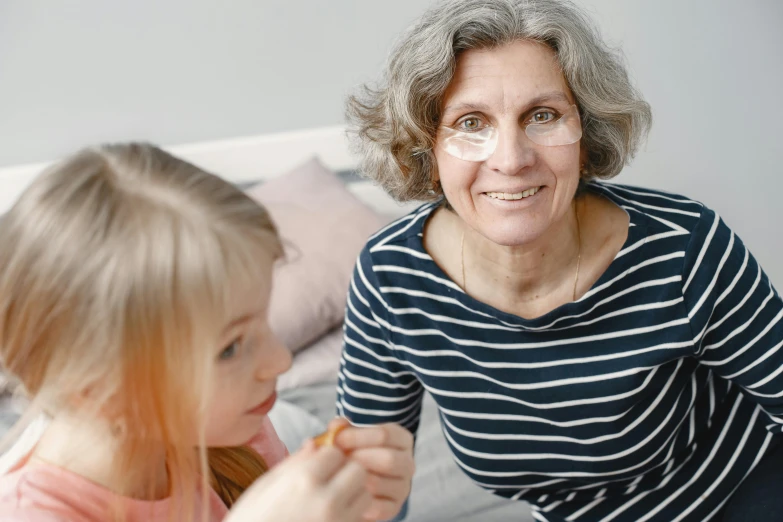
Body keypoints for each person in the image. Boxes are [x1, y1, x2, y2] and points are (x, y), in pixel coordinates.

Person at [336, 0, 783, 520]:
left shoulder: (685, 246)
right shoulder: (390, 280)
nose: (511, 159)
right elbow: (362, 486)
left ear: (586, 135)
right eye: (471, 122)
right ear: (425, 149)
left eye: (543, 115)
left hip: (740, 488)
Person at [0, 143, 414, 522]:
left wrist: (367, 509)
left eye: (262, 319)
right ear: (95, 389)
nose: (280, 360)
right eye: (231, 348)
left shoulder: (233, 433)